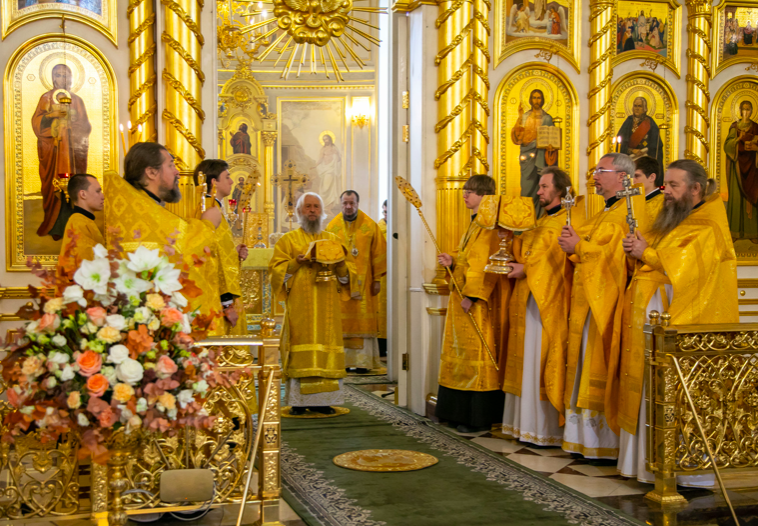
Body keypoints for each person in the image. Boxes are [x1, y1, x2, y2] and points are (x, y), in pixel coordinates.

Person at [615, 159, 738, 485]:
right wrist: (635, 252)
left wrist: (646, 253)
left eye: (673, 185)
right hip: (653, 325)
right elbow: (655, 261)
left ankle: (685, 477)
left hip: (680, 328)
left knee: (676, 397)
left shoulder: (708, 226)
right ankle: (645, 466)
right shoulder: (674, 220)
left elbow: (685, 270)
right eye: (665, 184)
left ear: (696, 188)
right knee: (649, 392)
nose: (666, 191)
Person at [557, 153, 645, 459]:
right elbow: (591, 252)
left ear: (622, 176)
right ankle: (581, 440)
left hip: (605, 304)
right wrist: (574, 248)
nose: (593, 176)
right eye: (594, 170)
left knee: (596, 364)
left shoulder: (630, 211)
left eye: (600, 170)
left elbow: (617, 259)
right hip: (585, 303)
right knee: (581, 364)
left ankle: (602, 444)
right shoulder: (602, 213)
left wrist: (579, 246)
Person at [502, 167, 580, 446]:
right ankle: (523, 425)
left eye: (545, 186)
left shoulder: (569, 221)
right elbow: (528, 254)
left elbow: (558, 261)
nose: (539, 191)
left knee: (540, 360)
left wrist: (527, 270)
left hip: (548, 303)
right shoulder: (540, 222)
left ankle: (543, 429)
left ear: (560, 189)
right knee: (526, 361)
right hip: (527, 299)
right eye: (540, 186)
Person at [105, 142, 223, 324]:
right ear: (151, 172)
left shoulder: (143, 210)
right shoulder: (143, 214)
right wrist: (208, 225)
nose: (177, 172)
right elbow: (186, 253)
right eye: (171, 165)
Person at [269, 192, 356, 415]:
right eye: (307, 207)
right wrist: (295, 262)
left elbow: (348, 276)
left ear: (322, 211)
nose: (312, 210)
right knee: (300, 346)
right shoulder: (288, 241)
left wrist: (340, 264)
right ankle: (298, 402)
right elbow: (276, 274)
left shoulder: (333, 240)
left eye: (316, 206)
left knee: (326, 347)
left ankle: (324, 400)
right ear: (299, 211)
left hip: (328, 305)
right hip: (300, 305)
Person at [436, 175, 504, 433]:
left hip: (475, 303)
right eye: (465, 190)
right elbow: (465, 256)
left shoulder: (490, 226)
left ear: (484, 196)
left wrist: (472, 296)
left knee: (476, 355)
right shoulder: (475, 224)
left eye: (471, 191)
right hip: (460, 299)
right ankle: (456, 413)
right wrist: (452, 260)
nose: (465, 195)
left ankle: (475, 417)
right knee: (460, 357)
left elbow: (486, 263)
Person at [327, 191, 387, 373]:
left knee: (363, 320)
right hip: (341, 284)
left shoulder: (370, 225)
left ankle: (363, 362)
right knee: (341, 323)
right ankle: (343, 362)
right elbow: (327, 254)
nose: (348, 206)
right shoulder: (332, 227)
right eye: (345, 203)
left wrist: (377, 279)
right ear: (341, 204)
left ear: (357, 204)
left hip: (365, 284)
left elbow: (379, 253)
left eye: (352, 203)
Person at [32, 64, 92, 239]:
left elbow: (85, 126)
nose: (62, 79)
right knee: (52, 187)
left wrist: (71, 127)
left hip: (72, 154)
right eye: (58, 75)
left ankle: (76, 226)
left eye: (66, 75)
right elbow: (36, 123)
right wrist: (51, 116)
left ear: (71, 79)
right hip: (52, 151)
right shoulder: (46, 98)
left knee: (75, 186)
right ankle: (54, 226)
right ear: (53, 78)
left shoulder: (77, 100)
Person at [194, 159, 249, 334]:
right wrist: (227, 304)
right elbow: (211, 259)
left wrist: (233, 252)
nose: (232, 181)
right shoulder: (210, 211)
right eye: (227, 177)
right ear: (214, 182)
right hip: (220, 301)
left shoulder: (211, 208)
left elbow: (220, 253)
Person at [511, 89, 558, 216]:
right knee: (527, 187)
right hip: (527, 156)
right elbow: (517, 138)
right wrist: (519, 117)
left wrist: (550, 146)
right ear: (530, 100)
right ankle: (526, 217)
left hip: (542, 156)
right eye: (534, 98)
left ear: (542, 100)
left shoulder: (547, 118)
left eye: (539, 98)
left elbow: (553, 139)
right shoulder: (524, 117)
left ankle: (540, 217)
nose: (536, 100)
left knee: (542, 187)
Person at [57, 174, 105, 282]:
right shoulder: (78, 223)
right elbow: (85, 267)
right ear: (83, 194)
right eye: (98, 191)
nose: (102, 196)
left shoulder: (84, 220)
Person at [725, 100, 758, 241]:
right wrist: (738, 139)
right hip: (737, 168)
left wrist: (756, 148)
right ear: (739, 110)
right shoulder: (734, 126)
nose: (746, 112)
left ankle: (753, 232)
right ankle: (735, 232)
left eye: (748, 109)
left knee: (752, 198)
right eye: (743, 109)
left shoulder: (756, 127)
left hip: (753, 169)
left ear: (752, 111)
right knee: (736, 198)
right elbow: (727, 145)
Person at [618, 97, 664, 168]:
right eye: (635, 106)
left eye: (639, 106)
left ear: (645, 108)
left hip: (645, 163)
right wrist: (632, 151)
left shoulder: (650, 123)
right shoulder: (629, 121)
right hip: (630, 162)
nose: (637, 108)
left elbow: (656, 147)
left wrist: (646, 152)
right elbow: (620, 144)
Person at [315, 133, 342, 212]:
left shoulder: (334, 148)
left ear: (330, 139)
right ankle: (325, 205)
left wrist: (336, 154)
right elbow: (320, 159)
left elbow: (339, 159)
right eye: (324, 140)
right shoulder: (323, 149)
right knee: (324, 187)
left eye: (326, 139)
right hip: (325, 168)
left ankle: (329, 206)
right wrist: (315, 165)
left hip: (331, 169)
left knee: (329, 187)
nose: (325, 141)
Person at [377, 200, 388, 358]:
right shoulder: (377, 229)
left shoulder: (400, 227)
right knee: (381, 310)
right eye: (385, 212)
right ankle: (381, 346)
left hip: (396, 275)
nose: (386, 215)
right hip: (382, 276)